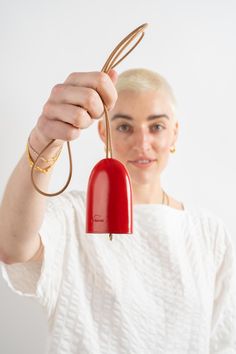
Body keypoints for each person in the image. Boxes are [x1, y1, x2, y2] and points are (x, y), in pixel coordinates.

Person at [0, 68, 235, 353]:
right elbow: (13, 246)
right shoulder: (74, 215)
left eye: (156, 126)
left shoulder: (208, 233)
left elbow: (223, 341)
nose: (142, 143)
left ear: (175, 132)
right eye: (124, 126)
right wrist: (43, 142)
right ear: (104, 131)